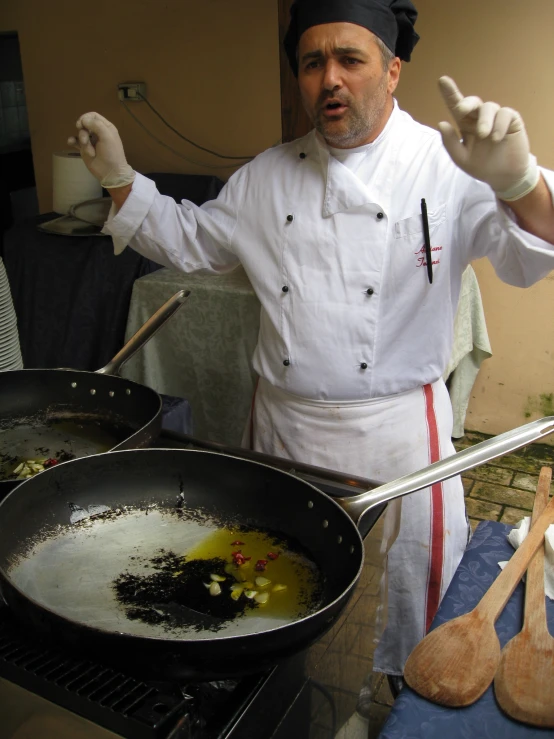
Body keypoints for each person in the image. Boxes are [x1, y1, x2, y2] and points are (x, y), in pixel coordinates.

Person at [68, 0, 554, 732]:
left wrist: (519, 183)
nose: (330, 78)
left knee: (400, 600)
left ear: (392, 71)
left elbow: (531, 256)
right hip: (285, 432)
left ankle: (389, 703)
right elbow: (194, 240)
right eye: (311, 61)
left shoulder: (447, 164)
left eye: (350, 60)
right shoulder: (266, 176)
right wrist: (119, 180)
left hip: (395, 439)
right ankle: (294, 702)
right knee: (279, 591)